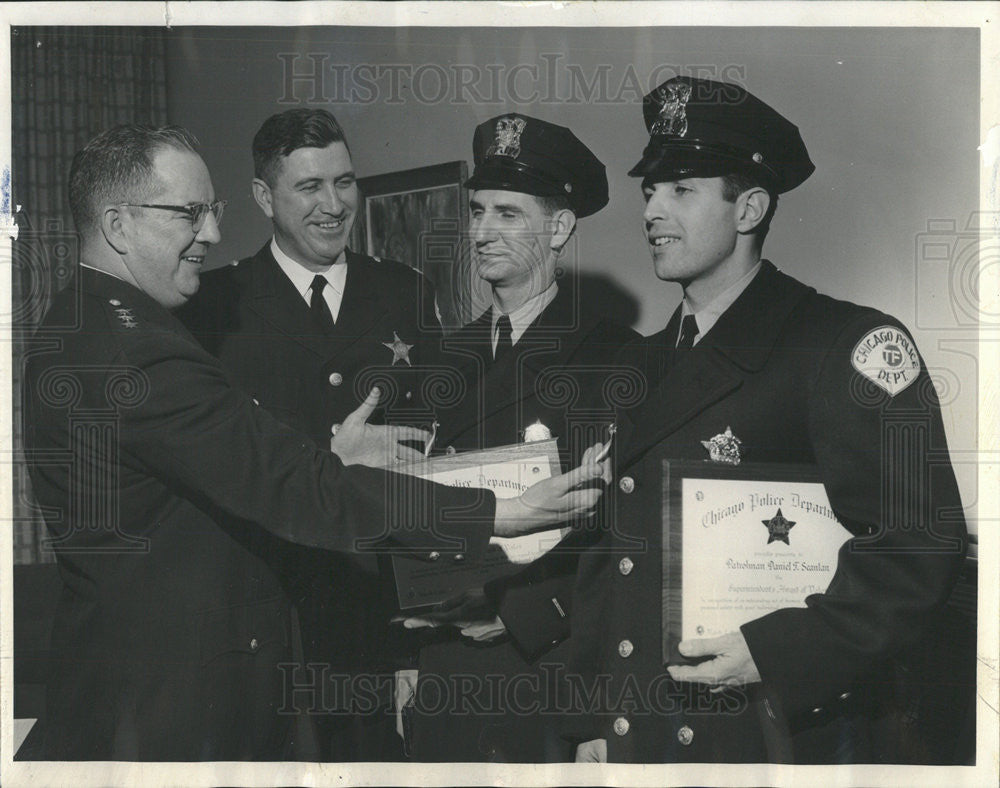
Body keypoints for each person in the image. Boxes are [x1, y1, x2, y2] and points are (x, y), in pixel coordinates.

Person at [21, 124, 607, 761]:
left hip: (172, 684)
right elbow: (283, 481)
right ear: (116, 223)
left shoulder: (82, 321)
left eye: (210, 212)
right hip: (171, 703)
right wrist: (500, 510)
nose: (213, 234)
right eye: (190, 213)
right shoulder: (143, 350)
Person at [567, 77, 968, 764]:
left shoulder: (843, 344)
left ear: (749, 207)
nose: (653, 213)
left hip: (770, 735)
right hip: (644, 730)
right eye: (649, 192)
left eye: (681, 190)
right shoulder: (643, 362)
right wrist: (594, 722)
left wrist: (772, 649)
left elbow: (919, 546)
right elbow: (616, 562)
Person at [178, 108, 437, 760]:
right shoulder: (213, 307)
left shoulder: (403, 293)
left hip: (383, 629)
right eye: (309, 187)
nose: (334, 204)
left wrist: (416, 641)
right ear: (265, 196)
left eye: (344, 182)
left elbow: (433, 466)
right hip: (267, 628)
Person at [402, 113, 639, 762]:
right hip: (442, 667)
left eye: (507, 214)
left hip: (544, 670)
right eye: (477, 211)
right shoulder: (447, 359)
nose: (480, 233)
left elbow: (618, 533)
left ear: (559, 228)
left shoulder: (613, 358)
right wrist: (406, 657)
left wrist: (516, 612)